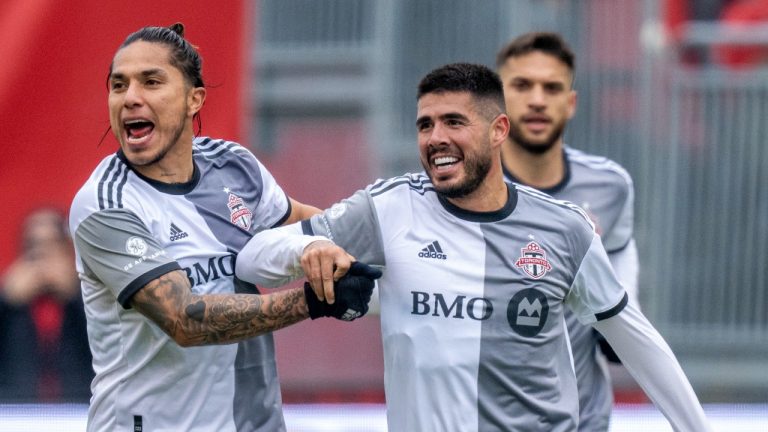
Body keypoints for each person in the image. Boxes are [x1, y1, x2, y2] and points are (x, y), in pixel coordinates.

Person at [235, 63, 713, 431]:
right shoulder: (390, 208)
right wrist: (310, 248)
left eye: (453, 122)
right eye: (425, 125)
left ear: (499, 130)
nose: (436, 138)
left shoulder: (564, 230)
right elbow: (252, 257)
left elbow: (638, 341)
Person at [68, 23, 380, 432]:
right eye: (118, 85)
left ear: (194, 99)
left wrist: (333, 255)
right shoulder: (105, 204)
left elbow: (305, 225)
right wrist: (313, 301)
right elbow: (183, 318)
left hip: (253, 422)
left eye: (151, 82)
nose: (130, 98)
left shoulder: (232, 164)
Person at [495, 32, 638, 431]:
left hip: (584, 418)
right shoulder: (460, 192)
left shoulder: (611, 187)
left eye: (552, 87)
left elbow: (622, 256)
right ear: (497, 101)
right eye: (522, 85)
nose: (538, 99)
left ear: (570, 103)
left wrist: (622, 320)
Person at [0, 208, 93, 402]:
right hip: (15, 412)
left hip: (79, 410)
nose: (41, 254)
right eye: (33, 245)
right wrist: (5, 301)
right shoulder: (11, 301)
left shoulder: (90, 296)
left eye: (50, 244)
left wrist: (76, 296)